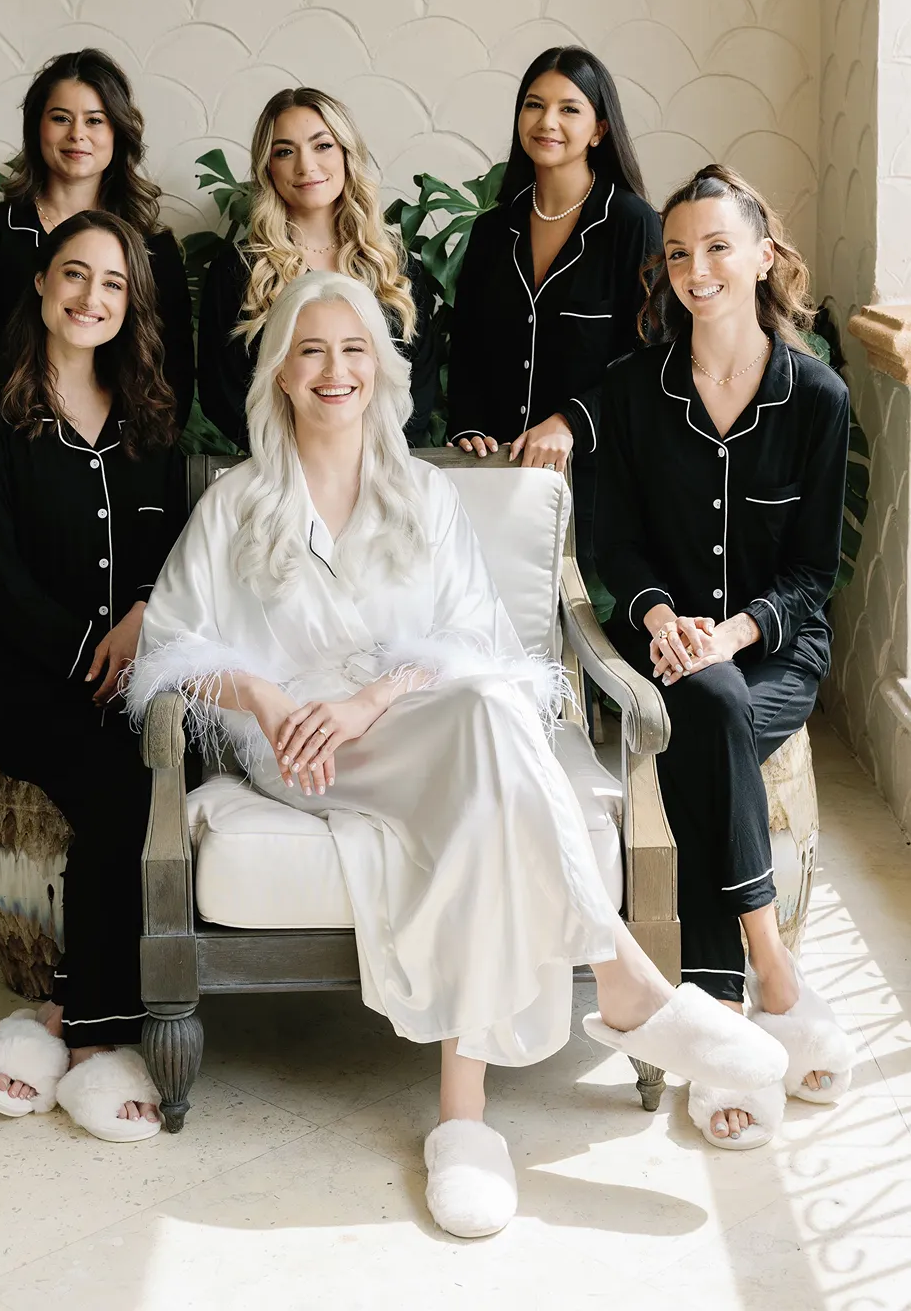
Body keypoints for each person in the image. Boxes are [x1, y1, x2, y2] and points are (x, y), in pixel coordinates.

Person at [126, 271, 786, 1236]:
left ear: (381, 373)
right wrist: (268, 700)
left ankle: (466, 1121)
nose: (333, 370)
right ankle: (623, 988)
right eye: (310, 351)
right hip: (298, 749)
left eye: (353, 350)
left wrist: (375, 696)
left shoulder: (425, 495)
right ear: (278, 374)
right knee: (486, 736)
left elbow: (480, 653)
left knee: (483, 731)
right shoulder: (236, 504)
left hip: (416, 724)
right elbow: (172, 650)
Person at [595, 163, 855, 1152]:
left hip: (770, 644)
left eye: (715, 246)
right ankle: (767, 970)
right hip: (662, 639)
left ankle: (718, 1009)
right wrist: (661, 617)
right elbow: (612, 545)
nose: (694, 267)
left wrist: (736, 629)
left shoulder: (818, 397)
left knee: (717, 710)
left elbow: (808, 571)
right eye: (676, 252)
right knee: (706, 702)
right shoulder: (628, 392)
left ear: (761, 255)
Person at [0, 211, 187, 1142]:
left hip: (126, 665)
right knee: (115, 787)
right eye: (75, 276)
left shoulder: (149, 415)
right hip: (19, 677)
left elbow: (168, 549)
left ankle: (57, 1013)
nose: (92, 298)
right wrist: (82, 652)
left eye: (114, 285)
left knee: (165, 774)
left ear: (130, 305)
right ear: (44, 285)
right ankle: (94, 1043)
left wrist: (135, 621)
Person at [446, 46, 660, 575]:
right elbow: (468, 346)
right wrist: (468, 427)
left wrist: (570, 420)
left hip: (597, 486)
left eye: (569, 108)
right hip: (495, 477)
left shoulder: (632, 224)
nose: (547, 122)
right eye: (534, 105)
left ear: (599, 130)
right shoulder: (493, 231)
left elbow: (652, 357)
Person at [0, 48, 195, 427]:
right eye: (60, 118)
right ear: (36, 128)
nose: (77, 134)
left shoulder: (152, 249)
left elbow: (172, 374)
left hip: (122, 451)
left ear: (117, 132)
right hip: (11, 447)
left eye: (95, 120)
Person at [197, 86, 438, 450]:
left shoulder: (395, 266)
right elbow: (222, 391)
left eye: (322, 145)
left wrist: (374, 456)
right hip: (279, 472)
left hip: (385, 468)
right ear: (268, 168)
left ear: (346, 154)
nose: (306, 166)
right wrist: (298, 457)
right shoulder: (239, 271)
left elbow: (421, 381)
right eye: (285, 152)